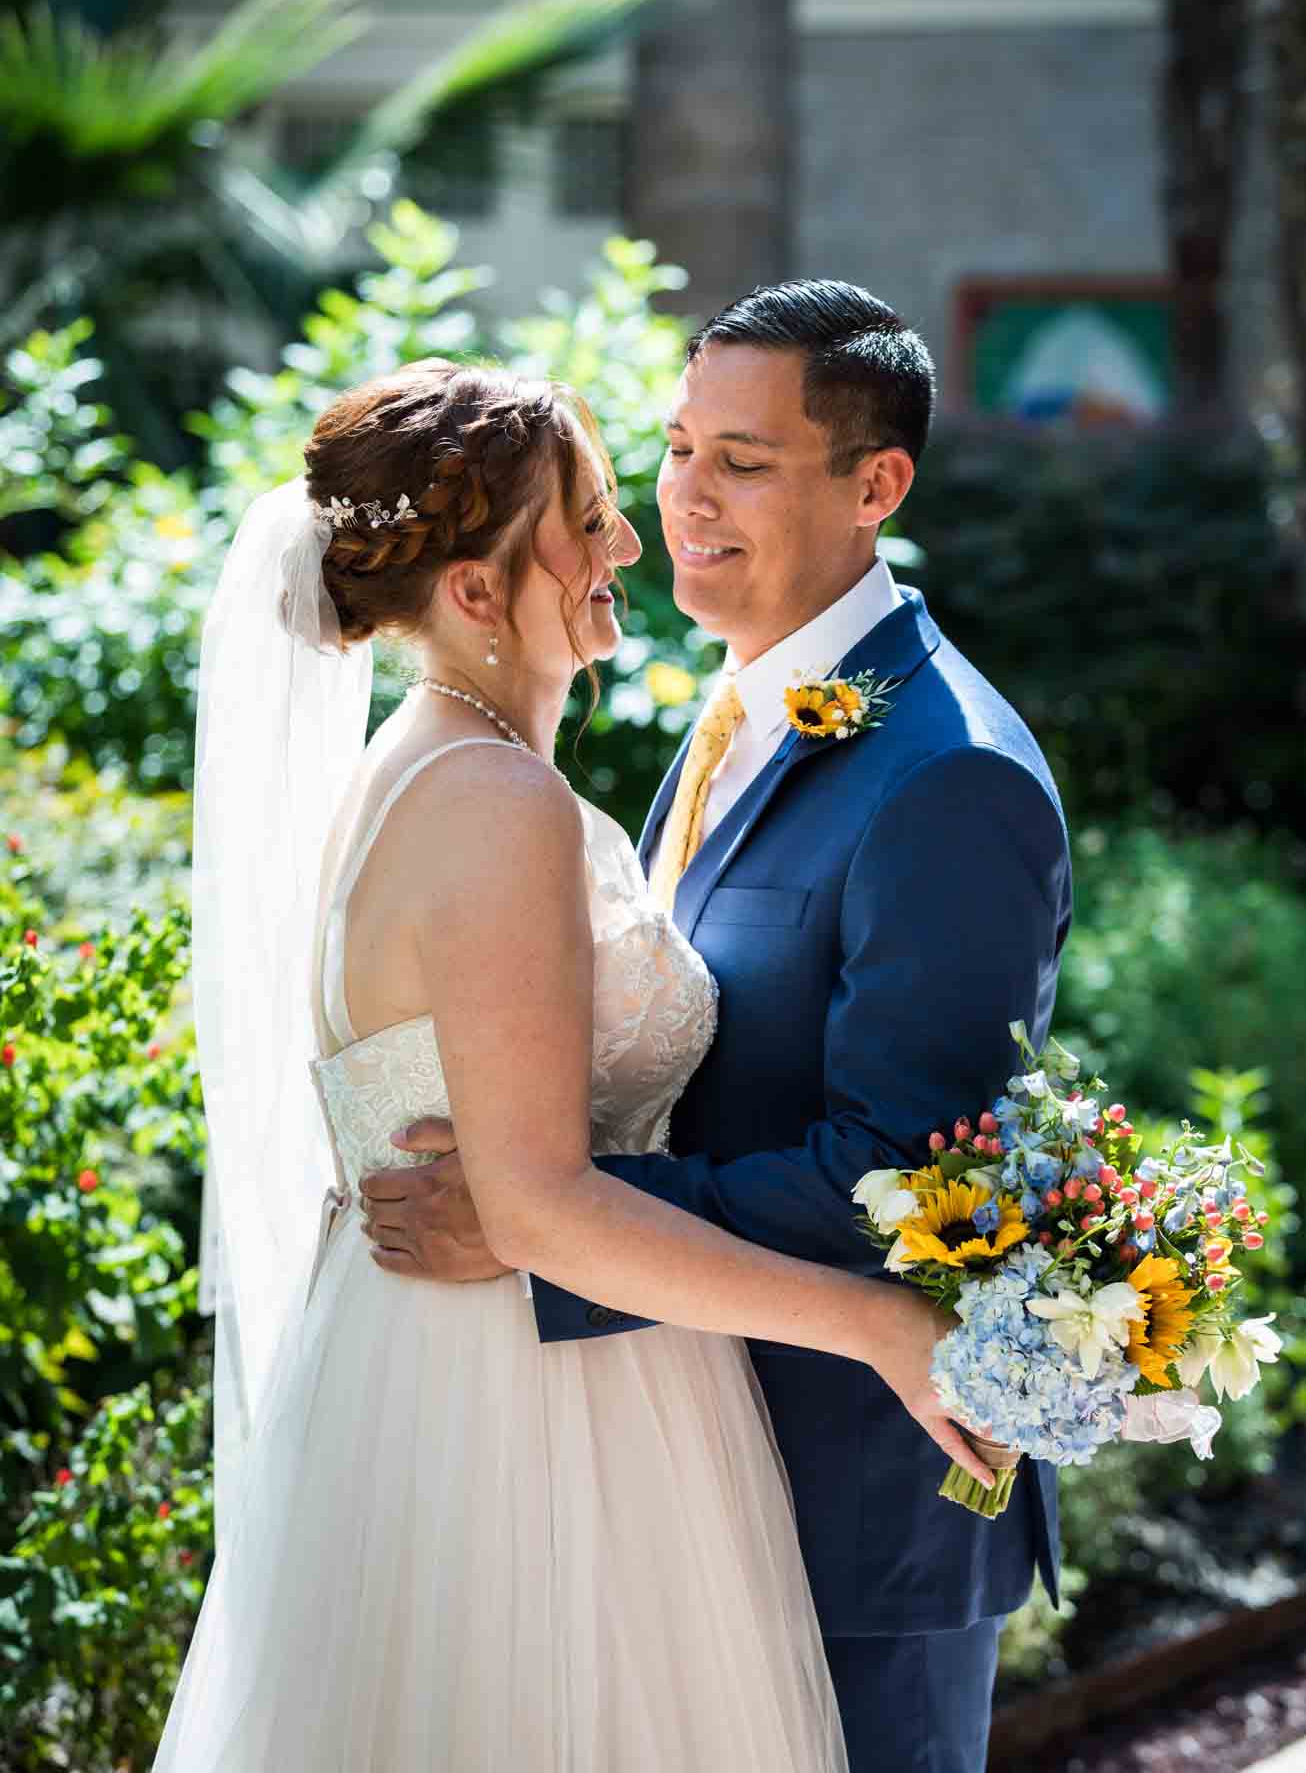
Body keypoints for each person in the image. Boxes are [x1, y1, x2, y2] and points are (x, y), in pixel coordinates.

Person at [157, 357, 996, 1773]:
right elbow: (537, 1208)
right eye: (591, 515)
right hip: (526, 1409)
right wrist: (879, 1325)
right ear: (478, 593)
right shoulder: (492, 802)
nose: (629, 542)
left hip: (479, 1361)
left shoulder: (433, 769)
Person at [361, 284, 1073, 1773]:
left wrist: (537, 1214)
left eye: (742, 461)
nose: (685, 495)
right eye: (679, 448)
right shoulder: (735, 709)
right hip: (674, 1472)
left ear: (875, 484)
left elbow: (894, 1180)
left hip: (856, 1503)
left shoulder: (949, 780)